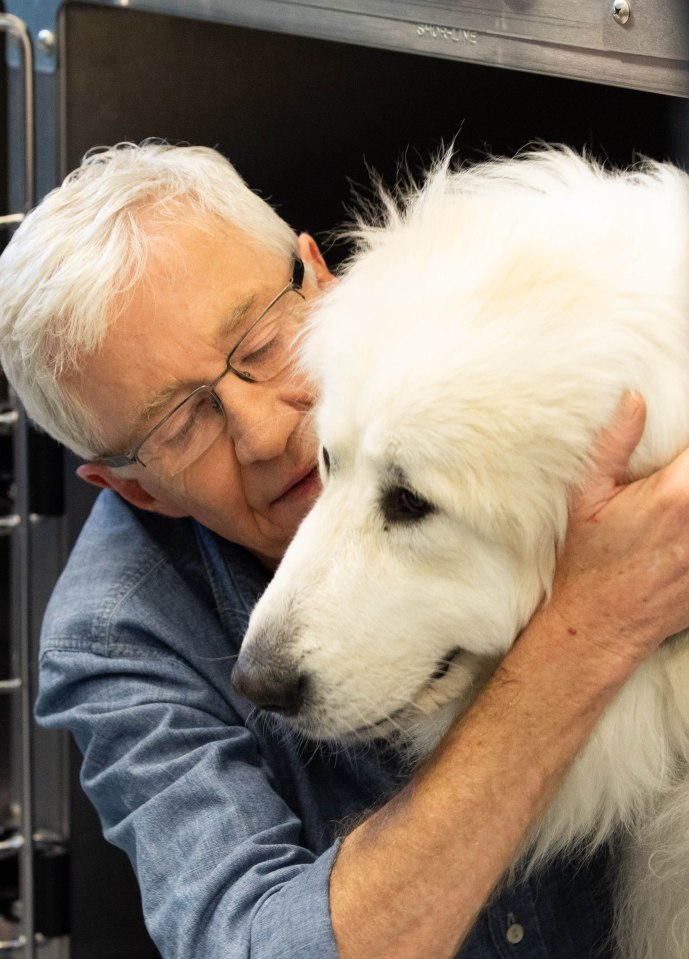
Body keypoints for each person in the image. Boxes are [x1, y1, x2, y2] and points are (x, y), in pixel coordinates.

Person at [1, 141, 689, 959]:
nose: (262, 432)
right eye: (178, 426)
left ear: (321, 278)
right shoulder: (114, 640)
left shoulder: (533, 337)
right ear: (135, 489)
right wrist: (593, 627)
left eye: (258, 345)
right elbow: (257, 946)